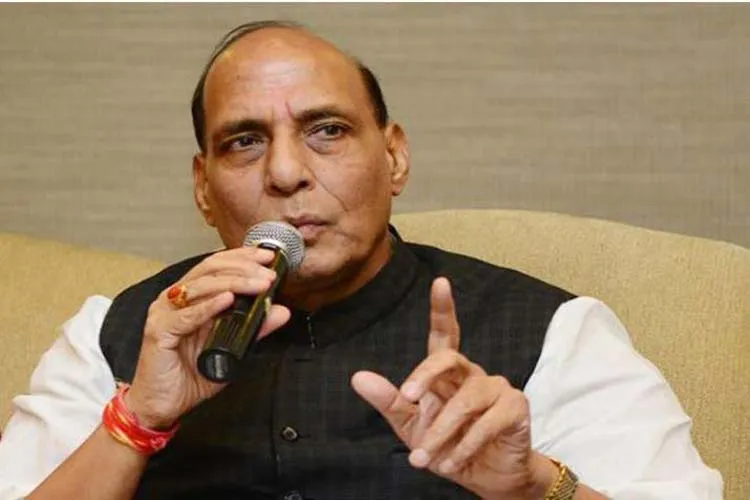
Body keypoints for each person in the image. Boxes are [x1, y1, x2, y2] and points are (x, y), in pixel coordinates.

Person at [0, 20, 722, 500]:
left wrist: (534, 486)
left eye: (327, 130)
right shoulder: (118, 333)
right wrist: (136, 420)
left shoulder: (552, 331)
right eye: (244, 141)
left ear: (394, 156)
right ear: (203, 187)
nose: (286, 173)